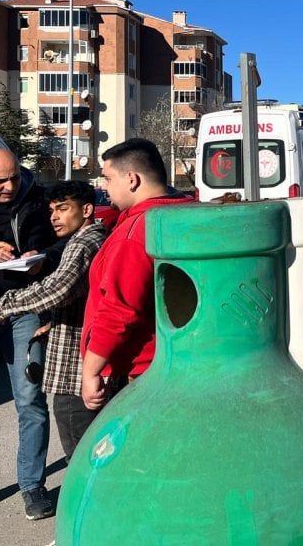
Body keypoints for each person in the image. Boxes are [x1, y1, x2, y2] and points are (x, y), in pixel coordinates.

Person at [0, 181, 106, 463]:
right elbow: (84, 298)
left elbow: (56, 289)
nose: (54, 217)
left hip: (75, 372)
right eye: (52, 211)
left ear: (86, 210)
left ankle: (84, 507)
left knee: (83, 457)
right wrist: (54, 323)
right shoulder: (91, 239)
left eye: (63, 209)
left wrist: (2, 307)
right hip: (81, 360)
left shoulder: (84, 243)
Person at [0, 149, 58, 520]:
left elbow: (64, 241)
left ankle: (32, 486)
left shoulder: (38, 198)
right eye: (1, 182)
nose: (10, 186)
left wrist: (44, 257)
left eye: (15, 178)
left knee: (31, 400)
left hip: (24, 310)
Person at [81, 138, 189, 412]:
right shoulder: (186, 213)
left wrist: (92, 371)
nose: (104, 188)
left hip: (142, 372)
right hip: (181, 361)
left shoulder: (135, 232)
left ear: (131, 179)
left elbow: (119, 309)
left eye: (107, 178)